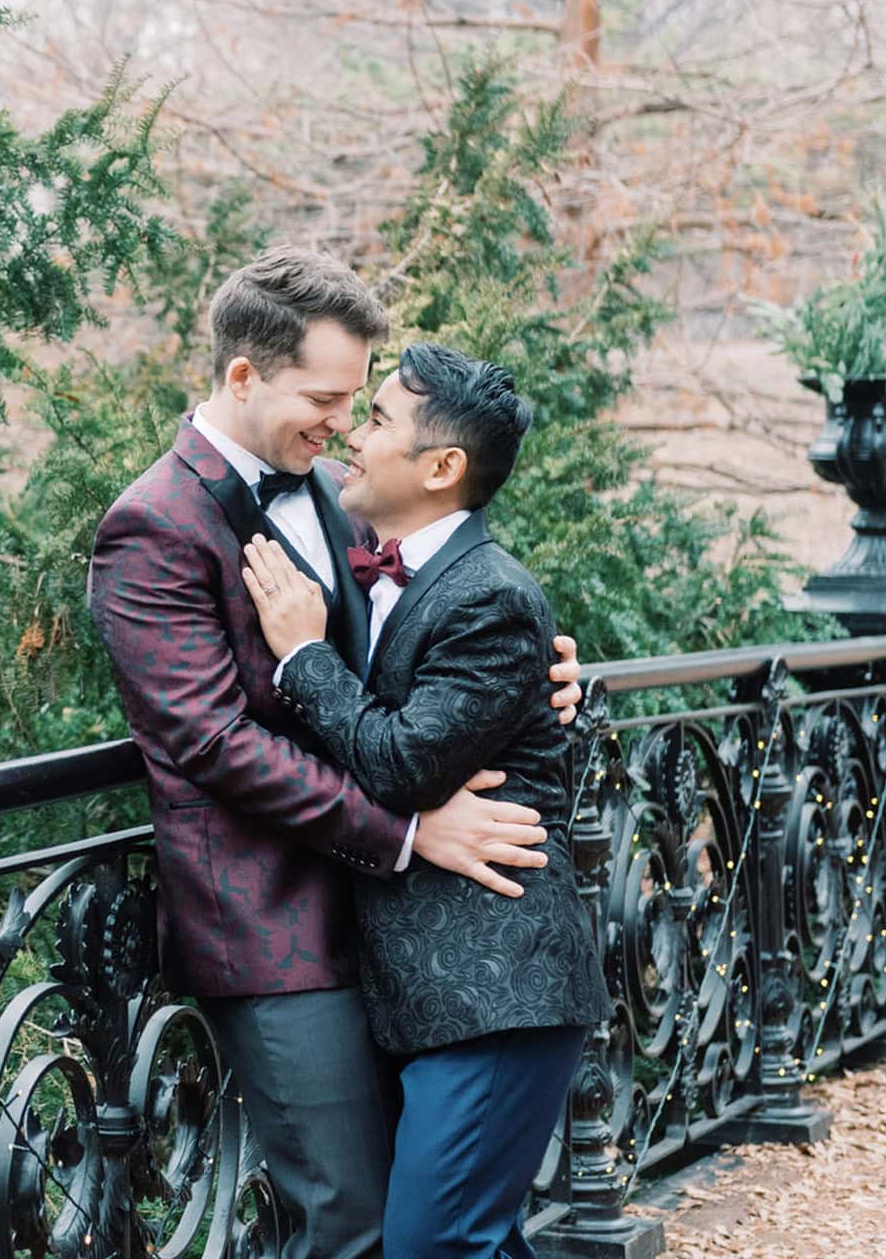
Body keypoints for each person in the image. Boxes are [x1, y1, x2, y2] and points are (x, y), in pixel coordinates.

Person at [86, 246, 583, 1259]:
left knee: (442, 1223)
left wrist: (549, 681)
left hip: (396, 932)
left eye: (360, 402)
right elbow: (212, 743)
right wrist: (405, 831)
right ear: (241, 376)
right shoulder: (150, 525)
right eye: (324, 397)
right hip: (272, 929)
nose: (345, 426)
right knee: (349, 1223)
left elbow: (420, 653)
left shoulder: (320, 491)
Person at [243, 340, 610, 1259]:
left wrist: (303, 654)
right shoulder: (380, 555)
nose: (351, 438)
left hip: (497, 985)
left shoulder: (488, 593)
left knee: (433, 1244)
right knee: (474, 1241)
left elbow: (402, 765)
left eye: (376, 421)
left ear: (442, 468)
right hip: (429, 989)